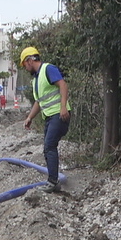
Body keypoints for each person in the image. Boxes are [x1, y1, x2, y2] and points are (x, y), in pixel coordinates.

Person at [20, 45, 72, 191]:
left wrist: (63, 107)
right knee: (47, 148)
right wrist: (30, 117)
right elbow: (39, 101)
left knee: (49, 145)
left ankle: (53, 182)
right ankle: (53, 180)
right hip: (50, 116)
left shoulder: (48, 69)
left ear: (30, 60)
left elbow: (63, 85)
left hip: (59, 114)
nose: (25, 68)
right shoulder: (36, 79)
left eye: (24, 64)